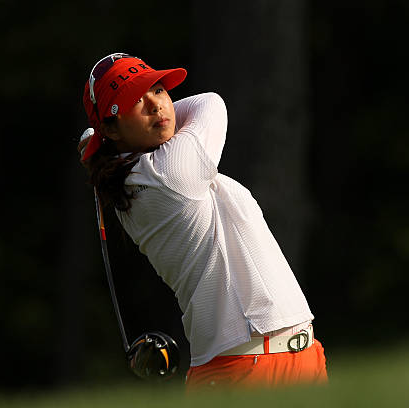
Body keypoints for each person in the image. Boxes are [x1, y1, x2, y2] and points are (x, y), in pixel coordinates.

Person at [78, 53, 327, 388]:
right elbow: (209, 103)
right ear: (110, 126)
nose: (157, 106)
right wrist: (103, 142)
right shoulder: (168, 172)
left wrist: (104, 142)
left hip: (297, 356)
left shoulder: (144, 172)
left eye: (158, 90)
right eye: (136, 100)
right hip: (244, 369)